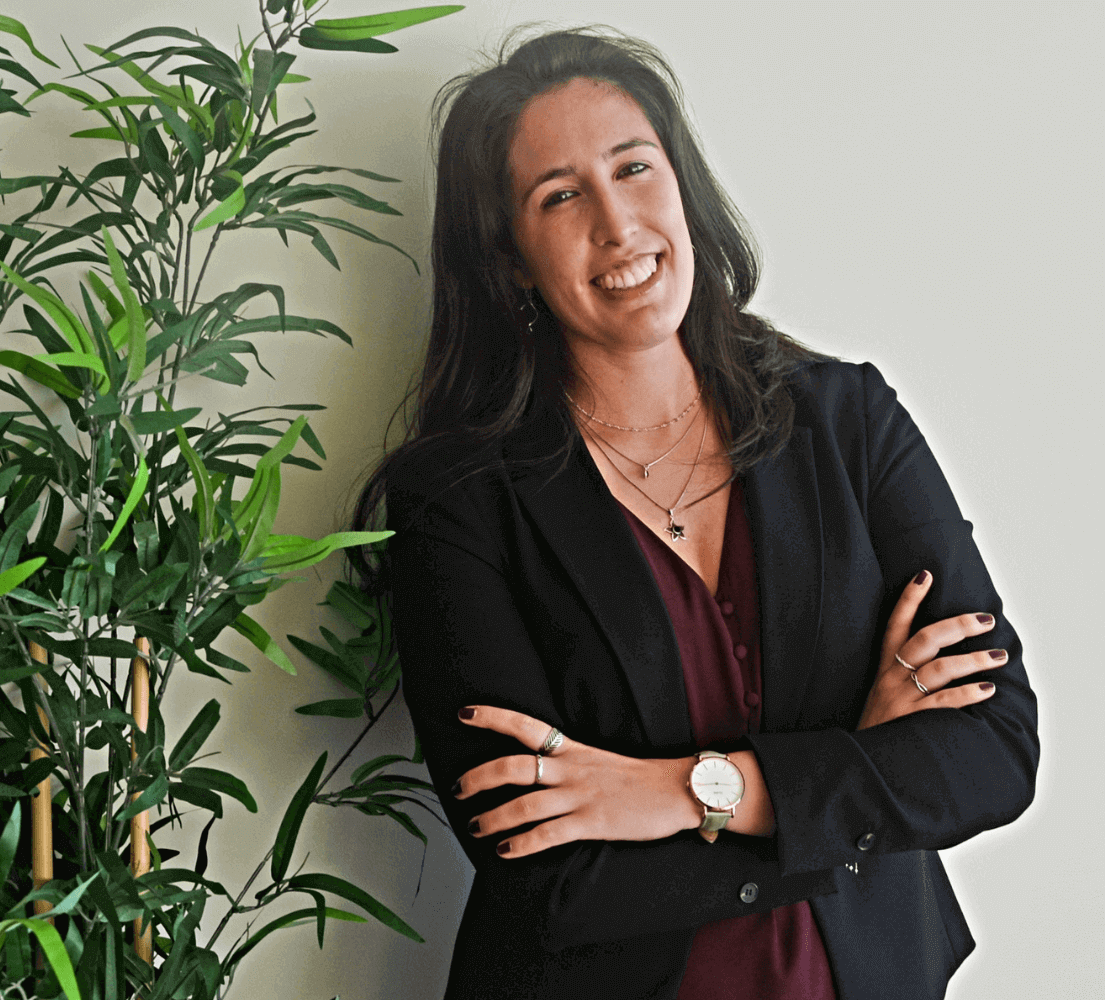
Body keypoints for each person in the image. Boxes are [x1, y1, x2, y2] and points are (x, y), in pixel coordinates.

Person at [351, 27, 1040, 1000]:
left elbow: (992, 751)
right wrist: (854, 768)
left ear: (681, 184)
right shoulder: (457, 503)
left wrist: (678, 791)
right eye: (560, 195)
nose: (617, 222)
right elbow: (551, 872)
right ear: (508, 256)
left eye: (634, 168)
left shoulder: (848, 421)